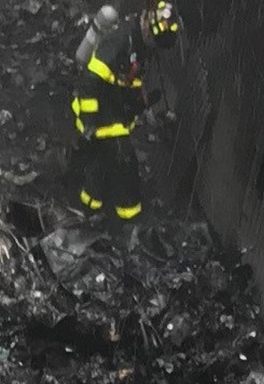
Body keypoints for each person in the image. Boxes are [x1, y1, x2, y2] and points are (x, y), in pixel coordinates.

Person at [70, 0, 179, 223]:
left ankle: (88, 206)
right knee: (125, 163)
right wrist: (90, 120)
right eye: (154, 40)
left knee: (104, 162)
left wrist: (141, 104)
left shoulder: (139, 45)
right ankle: (131, 220)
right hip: (97, 109)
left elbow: (127, 82)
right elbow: (90, 81)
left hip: (113, 108)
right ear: (148, 25)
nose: (154, 45)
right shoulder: (120, 39)